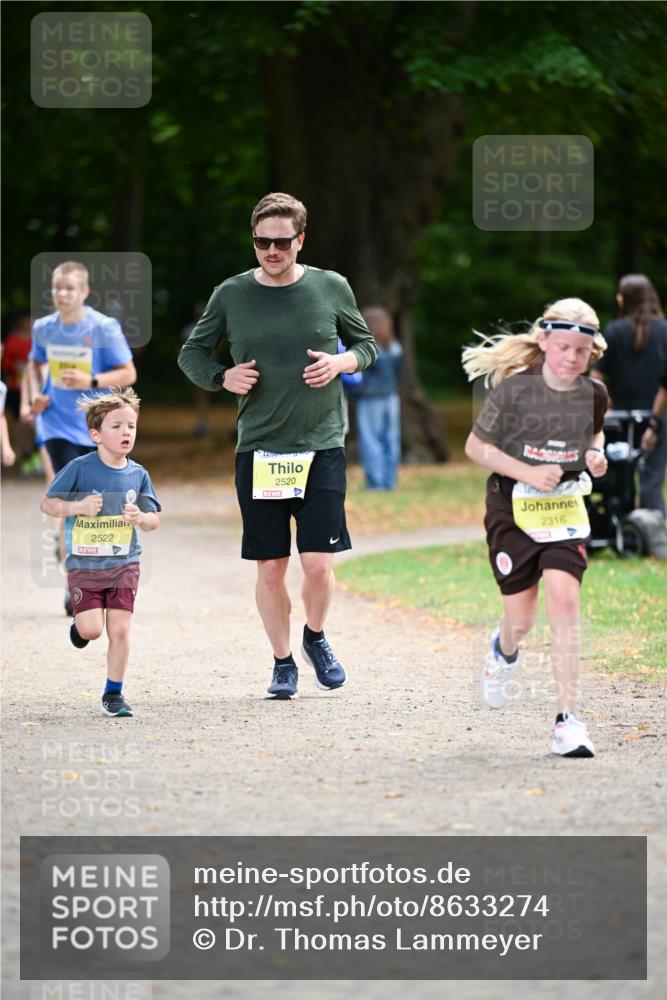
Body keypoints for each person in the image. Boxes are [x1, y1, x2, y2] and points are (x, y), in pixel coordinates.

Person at [178, 191, 378, 700]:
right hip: (261, 448)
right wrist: (223, 377)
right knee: (271, 566)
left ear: (300, 240)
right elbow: (192, 354)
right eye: (262, 242)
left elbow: (367, 345)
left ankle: (315, 637)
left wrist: (340, 364)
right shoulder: (231, 294)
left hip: (322, 444)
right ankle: (282, 662)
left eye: (281, 242)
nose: (271, 250)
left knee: (317, 563)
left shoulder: (331, 287)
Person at [462, 298, 609, 758]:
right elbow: (475, 447)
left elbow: (595, 433)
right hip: (512, 510)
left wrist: (594, 456)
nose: (570, 358)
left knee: (564, 600)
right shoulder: (513, 392)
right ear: (544, 342)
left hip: (564, 510)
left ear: (591, 353)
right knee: (521, 620)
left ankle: (567, 720)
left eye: (580, 352)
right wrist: (526, 473)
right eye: (562, 347)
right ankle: (503, 650)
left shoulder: (594, 394)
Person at [40, 387, 160, 718]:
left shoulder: (139, 474)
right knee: (92, 630)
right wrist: (77, 505)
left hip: (125, 564)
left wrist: (141, 518)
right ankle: (79, 628)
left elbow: (154, 520)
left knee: (119, 629)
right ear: (95, 434)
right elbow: (47, 504)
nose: (126, 432)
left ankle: (114, 694)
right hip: (85, 565)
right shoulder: (79, 468)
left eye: (131, 426)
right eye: (117, 426)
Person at [26, 261, 137, 614]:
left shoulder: (103, 328)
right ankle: (72, 582)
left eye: (69, 288)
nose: (61, 294)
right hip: (55, 424)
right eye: (57, 288)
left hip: (93, 425)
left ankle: (97, 573)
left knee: (97, 504)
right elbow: (35, 366)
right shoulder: (44, 328)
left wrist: (89, 381)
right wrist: (35, 398)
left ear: (84, 292)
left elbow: (128, 372)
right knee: (67, 497)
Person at [591, 274, 667, 517]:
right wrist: (654, 422)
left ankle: (621, 527)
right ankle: (653, 533)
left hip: (620, 417)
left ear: (625, 298)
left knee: (620, 476)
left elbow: (596, 376)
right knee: (651, 478)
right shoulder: (664, 331)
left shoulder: (613, 331)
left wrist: (606, 407)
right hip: (659, 414)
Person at [355, 306, 403, 489]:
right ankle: (390, 481)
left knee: (370, 440)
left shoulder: (369, 349)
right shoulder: (395, 347)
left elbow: (362, 375)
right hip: (391, 397)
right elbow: (399, 372)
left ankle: (375, 482)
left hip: (370, 398)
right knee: (391, 439)